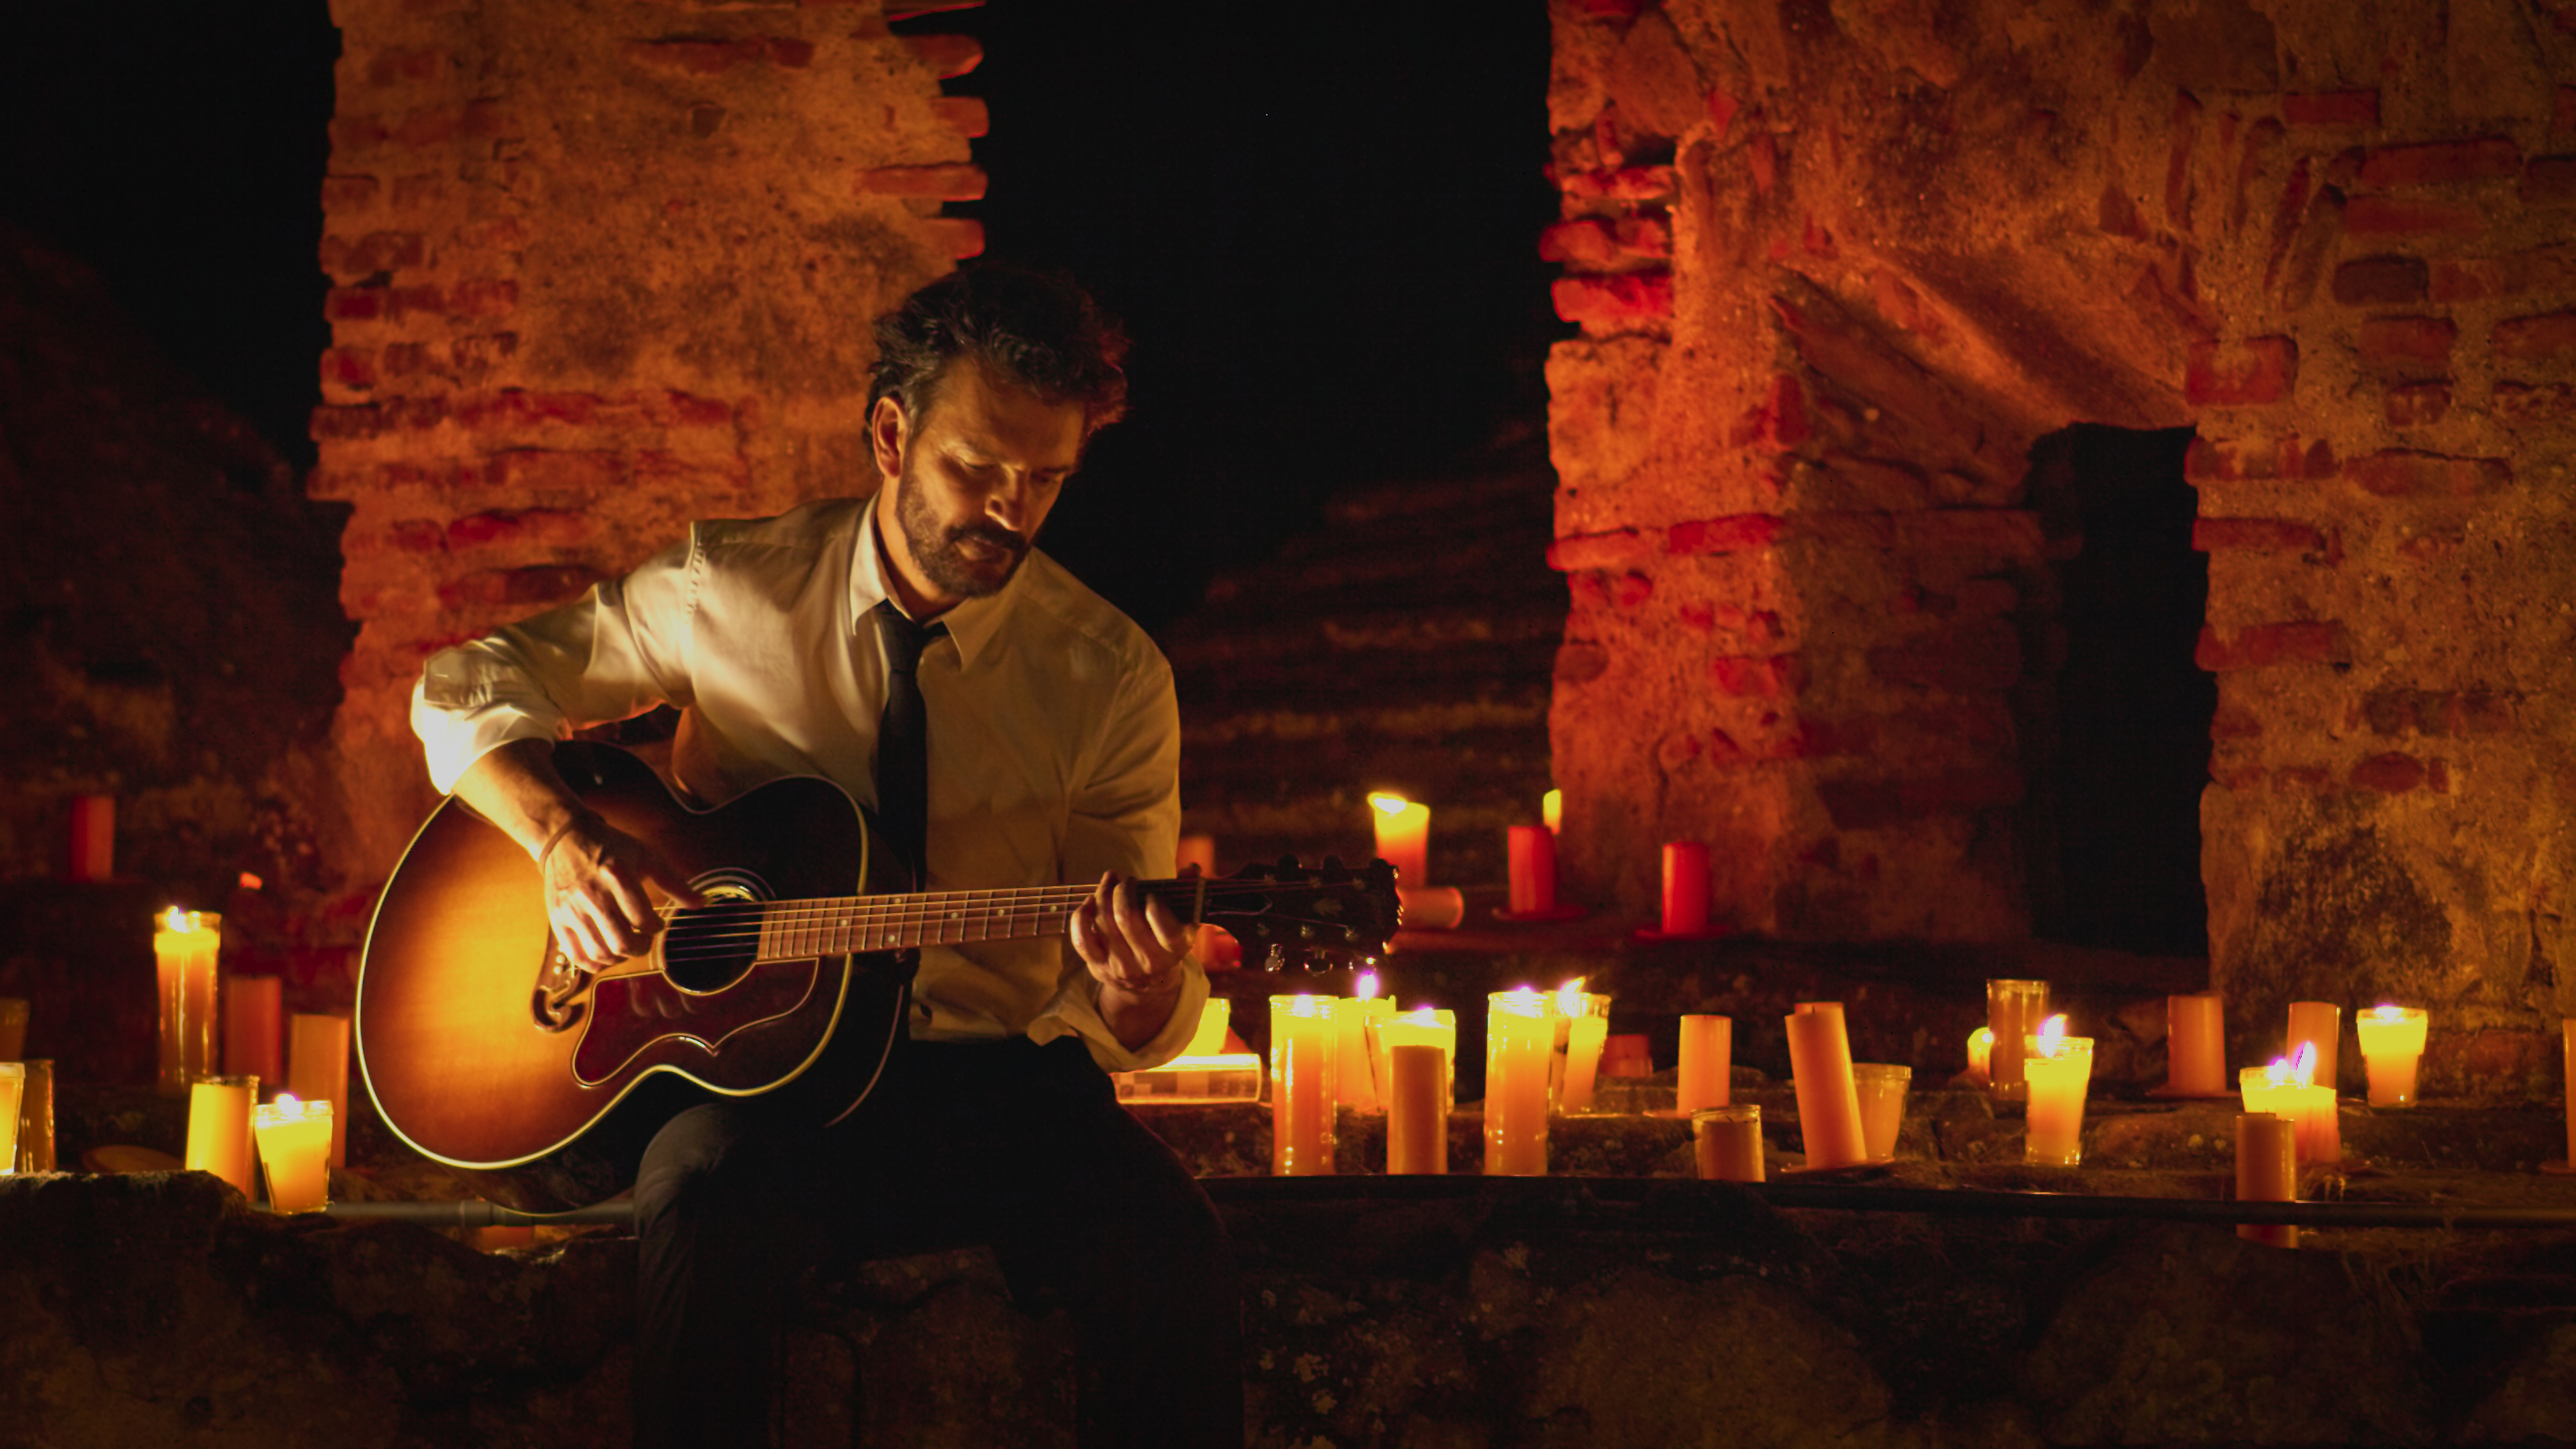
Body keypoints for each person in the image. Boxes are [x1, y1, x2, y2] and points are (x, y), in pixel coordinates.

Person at [409, 265, 1242, 1448]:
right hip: (767, 1090)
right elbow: (462, 687)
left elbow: (1117, 1002)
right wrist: (562, 839)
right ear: (891, 434)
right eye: (978, 469)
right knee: (695, 1196)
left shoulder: (1110, 676)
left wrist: (1141, 984)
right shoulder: (728, 590)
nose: (1010, 511)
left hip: (996, 1092)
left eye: (1047, 482)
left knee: (1177, 1249)